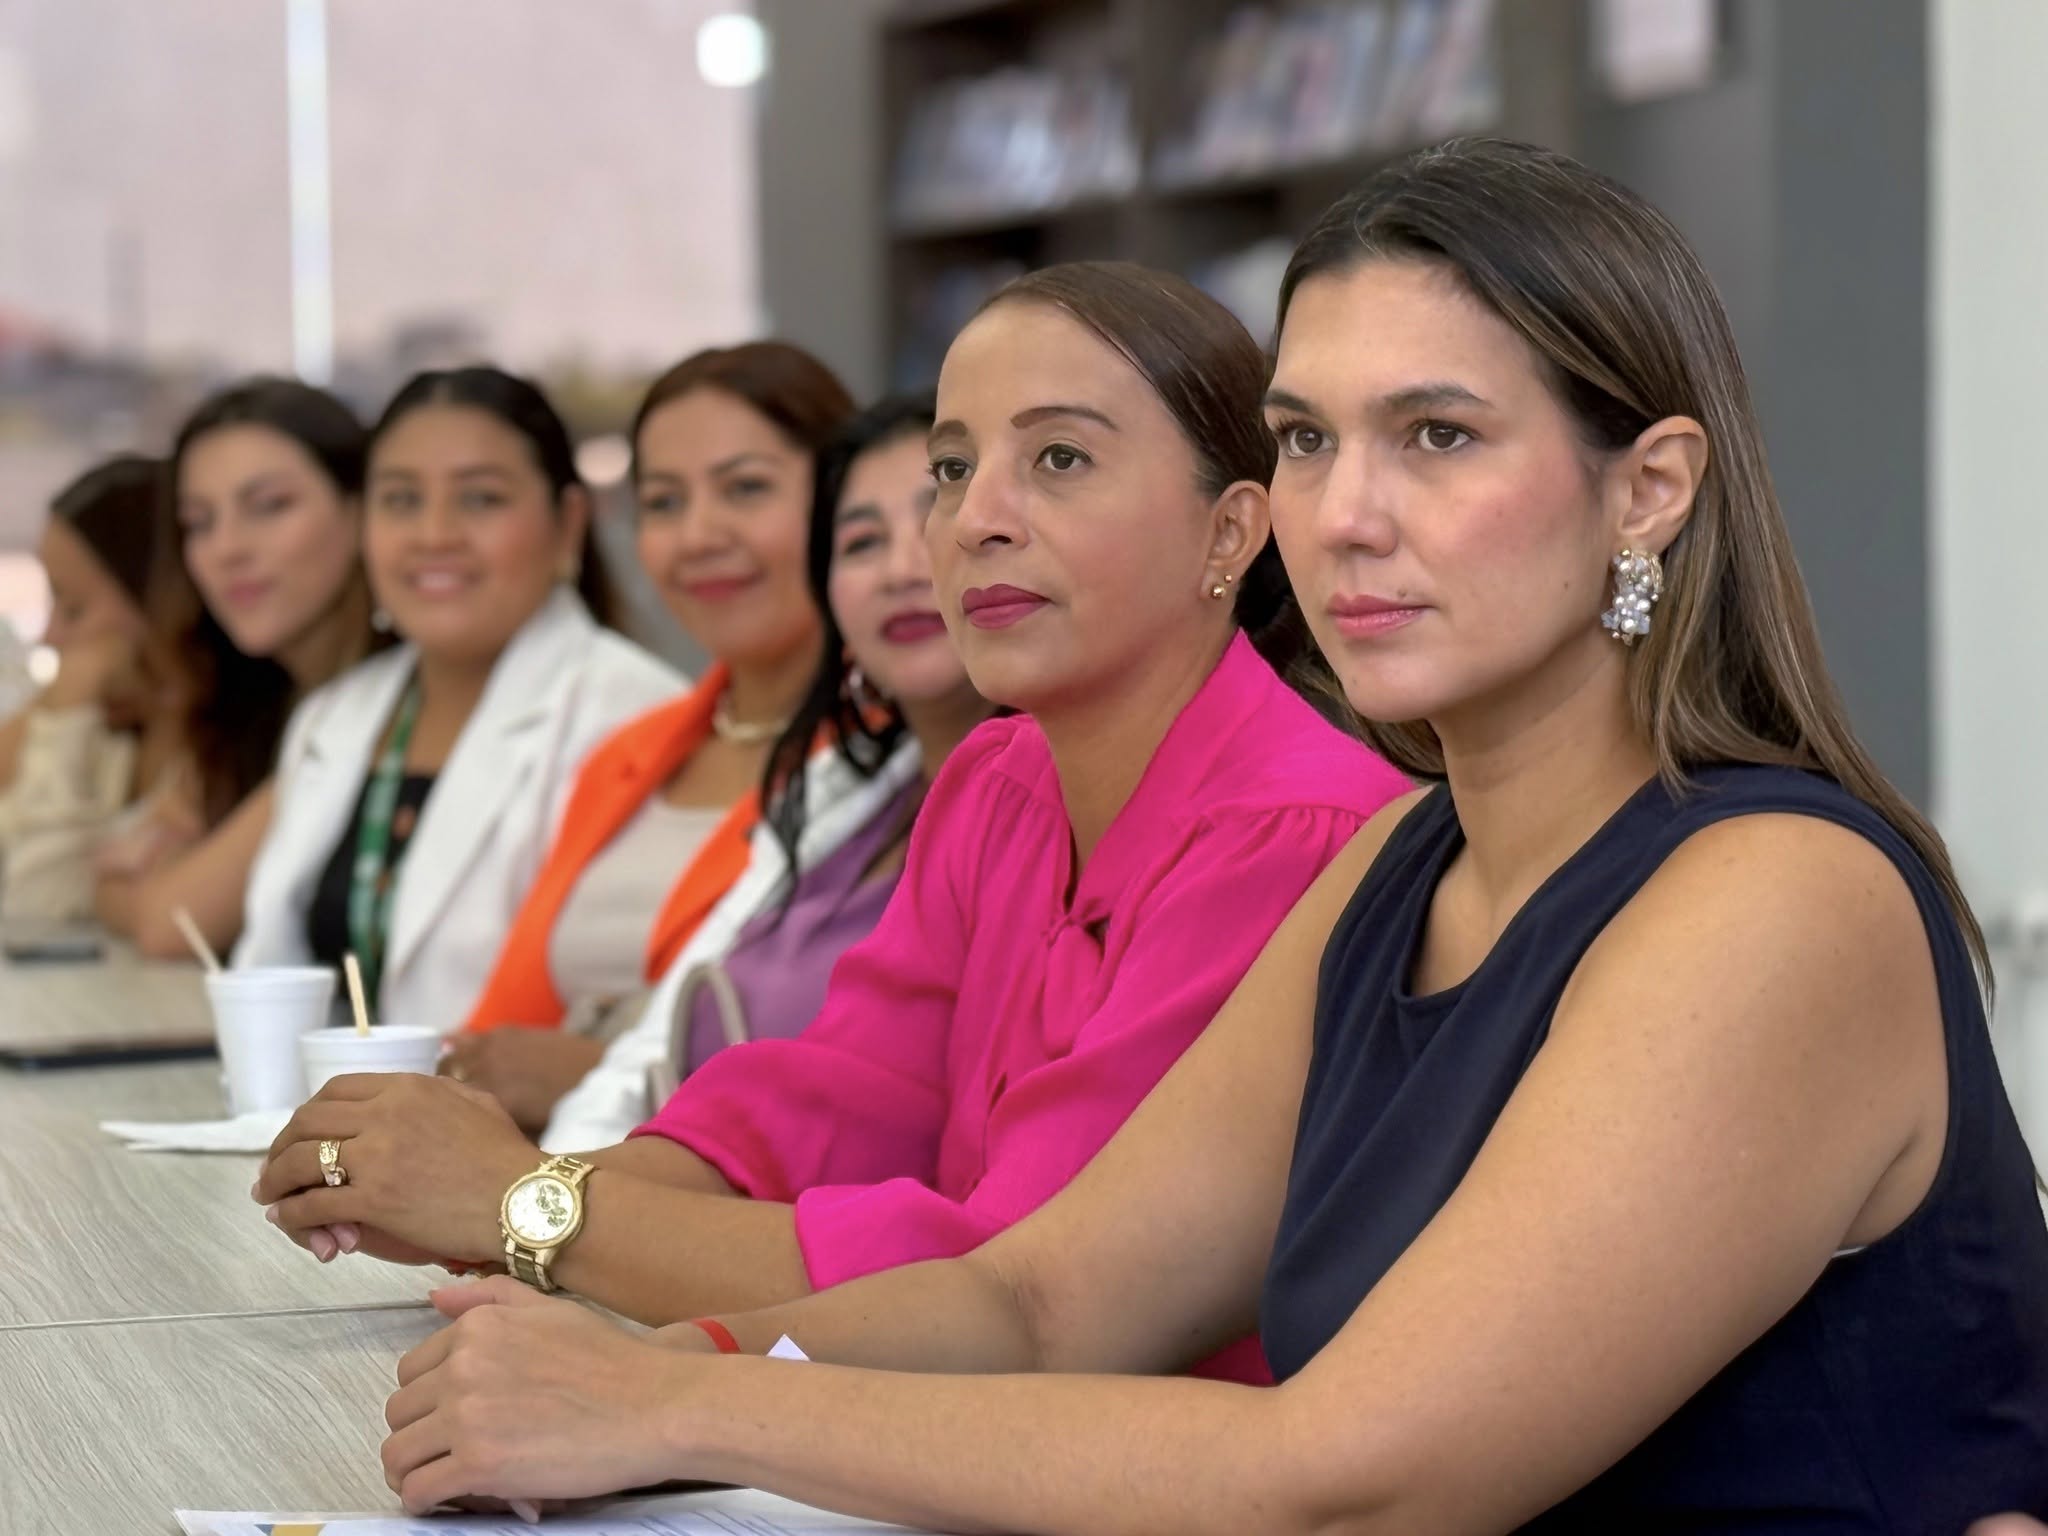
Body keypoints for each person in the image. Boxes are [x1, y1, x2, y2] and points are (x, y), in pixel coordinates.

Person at [374, 140, 2048, 1529]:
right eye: (1308, 438)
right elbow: (1045, 1302)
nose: (1346, 514)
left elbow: (1350, 1483)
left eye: (1437, 435)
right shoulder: (1399, 871)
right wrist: (662, 1361)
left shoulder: (1773, 899)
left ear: (1647, 492)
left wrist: (674, 1403)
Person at [252, 264, 1409, 1351]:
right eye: (950, 469)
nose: (974, 519)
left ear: (1229, 530)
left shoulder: (1293, 832)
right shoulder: (996, 783)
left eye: (1058, 459)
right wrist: (500, 1205)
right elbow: (826, 1103)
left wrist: (528, 1207)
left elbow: (1013, 1281)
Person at [534, 390, 994, 1149]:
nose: (900, 570)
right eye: (860, 543)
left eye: (933, 522)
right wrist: (550, 1187)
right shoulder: (837, 793)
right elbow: (648, 1049)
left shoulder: (1051, 803)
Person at [427, 343, 856, 1126]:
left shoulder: (896, 764)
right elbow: (500, 1035)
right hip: (536, 1168)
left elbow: (860, 1075)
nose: (698, 535)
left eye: (746, 488)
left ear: (845, 499)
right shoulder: (630, 755)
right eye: (663, 502)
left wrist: (600, 1075)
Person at [234, 366, 680, 1034]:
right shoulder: (333, 717)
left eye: (480, 499)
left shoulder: (637, 715)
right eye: (401, 500)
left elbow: (637, 1015)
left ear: (568, 525)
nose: (435, 534)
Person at [94, 378, 383, 957]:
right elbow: (105, 877)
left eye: (270, 506)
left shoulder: (393, 700)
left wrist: (159, 885)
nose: (227, 549)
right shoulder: (248, 702)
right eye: (200, 522)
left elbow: (168, 925)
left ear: (361, 510)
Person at [0, 456, 175, 922]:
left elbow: (39, 906)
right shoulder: (114, 728)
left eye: (73, 608)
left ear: (162, 604)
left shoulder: (203, 759)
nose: (49, 635)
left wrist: (65, 721)